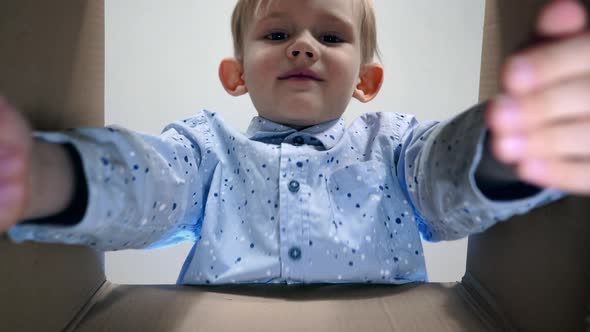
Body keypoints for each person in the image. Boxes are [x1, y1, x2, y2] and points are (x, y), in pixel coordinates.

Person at [1, 0, 589, 284]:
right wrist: (50, 174)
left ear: (366, 81)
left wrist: (507, 144)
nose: (303, 45)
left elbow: (442, 177)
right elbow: (150, 183)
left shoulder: (394, 143)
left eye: (330, 35)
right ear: (236, 75)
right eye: (277, 33)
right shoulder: (209, 148)